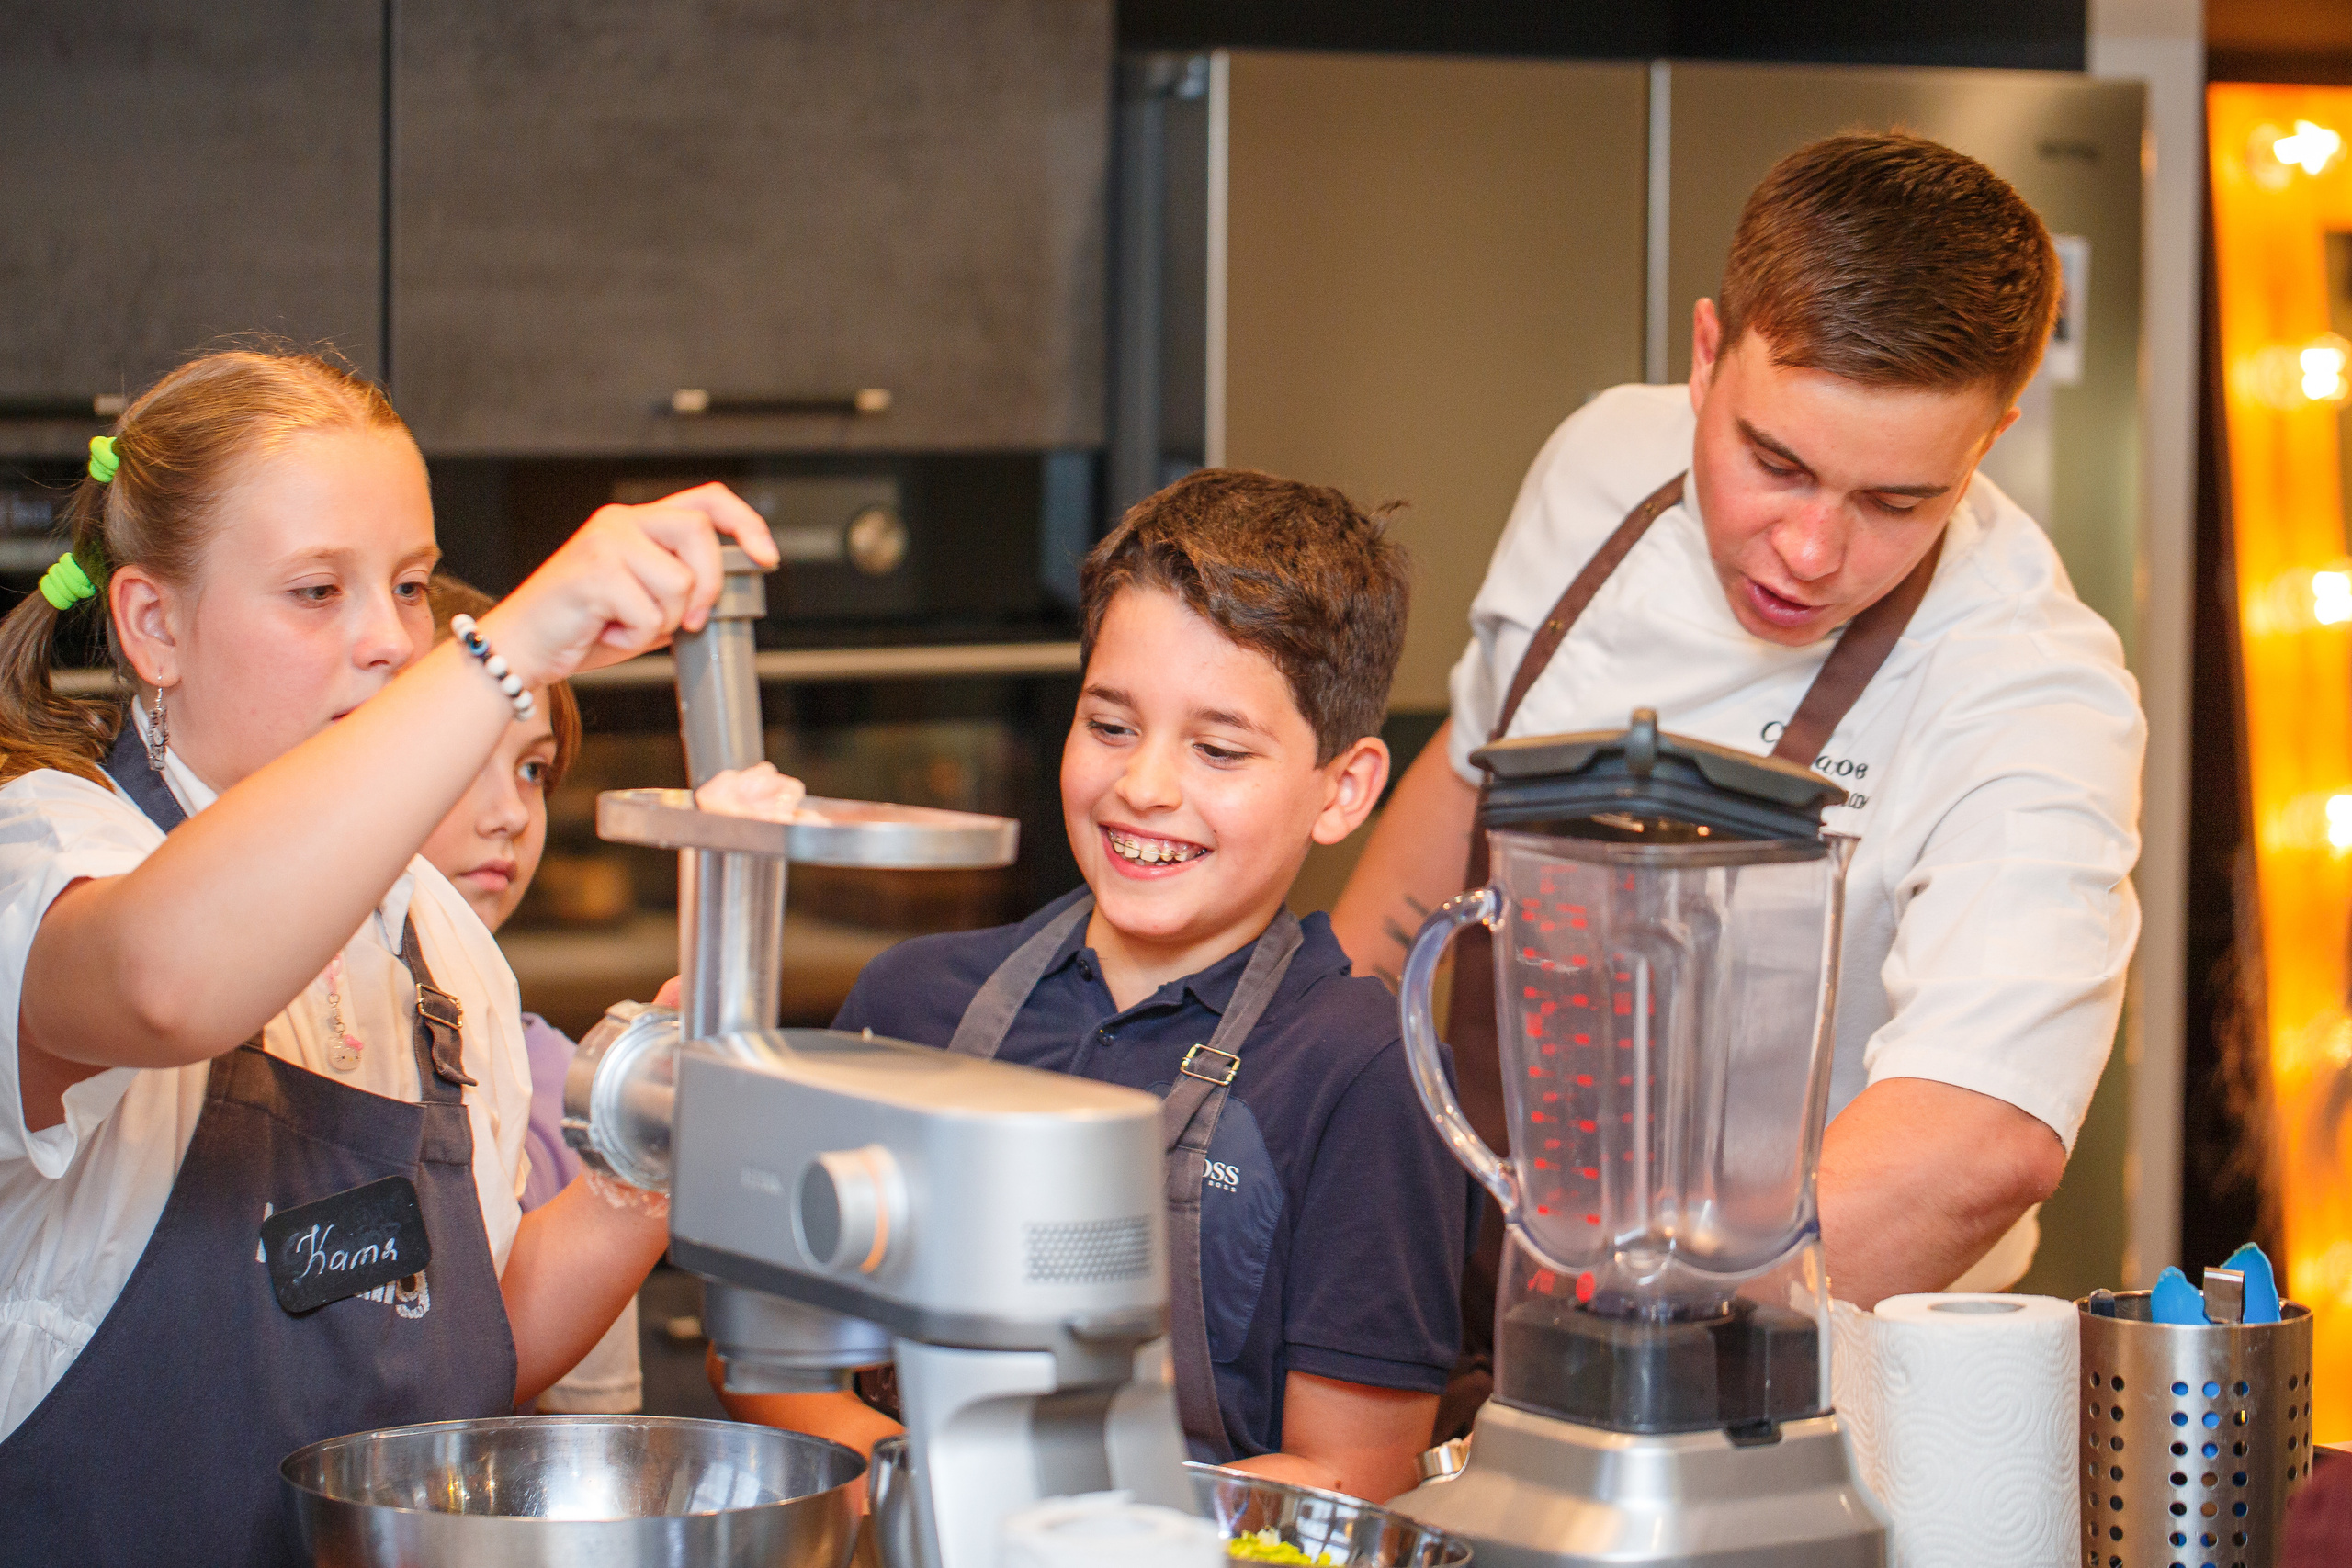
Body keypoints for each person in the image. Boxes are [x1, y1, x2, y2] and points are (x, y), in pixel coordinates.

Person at [1332, 132, 2145, 1330]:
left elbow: (1979, 1139)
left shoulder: (2033, 688)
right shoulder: (1600, 462)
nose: (1810, 551)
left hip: (1790, 1355)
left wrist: (1634, 1341)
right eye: (1774, 461)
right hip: (1463, 1273)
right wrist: (1312, 1117)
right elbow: (1470, 774)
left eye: (1897, 501)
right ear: (1707, 355)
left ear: (1991, 439)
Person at [0, 348, 778, 1563]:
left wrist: (656, 1141)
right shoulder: (49, 853)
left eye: (411, 587)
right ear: (155, 624)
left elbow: (483, 1339)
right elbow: (163, 984)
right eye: (318, 590)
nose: (389, 640)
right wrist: (517, 645)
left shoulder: (434, 936)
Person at [722, 469, 1474, 1503]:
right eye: (1111, 726)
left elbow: (1350, 1473)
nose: (1144, 786)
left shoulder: (1361, 1072)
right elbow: (767, 1364)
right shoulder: (910, 1003)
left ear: (1342, 791)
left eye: (1218, 749)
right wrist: (935, 1515)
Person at [419, 574, 641, 1415]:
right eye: (459, 761)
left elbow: (591, 1419)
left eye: (533, 769)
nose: (511, 812)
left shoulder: (560, 1081)